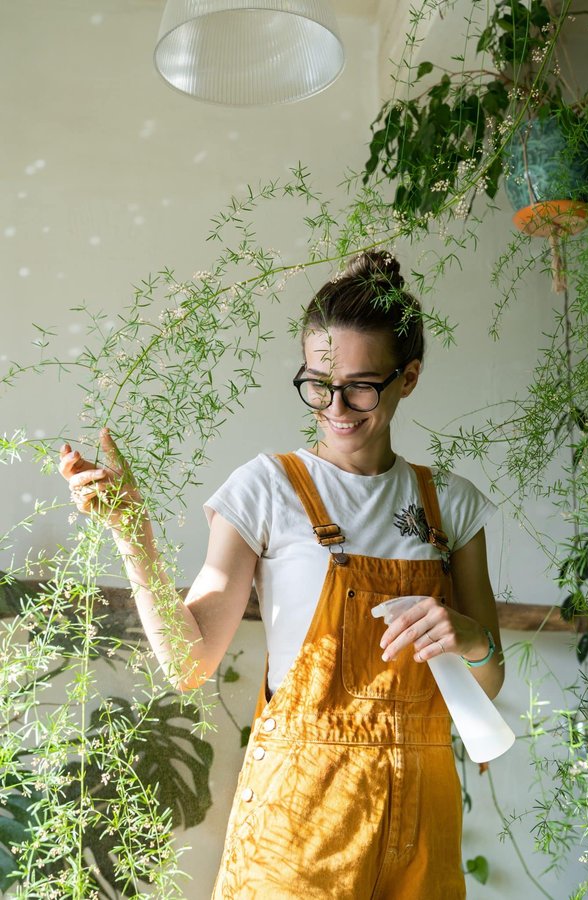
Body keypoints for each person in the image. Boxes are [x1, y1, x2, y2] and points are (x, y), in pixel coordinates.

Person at [59, 251, 504, 899]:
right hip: (299, 821)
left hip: (425, 821)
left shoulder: (452, 506)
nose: (336, 407)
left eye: (360, 385)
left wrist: (469, 638)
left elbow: (488, 682)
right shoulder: (267, 489)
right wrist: (135, 537)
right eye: (318, 384)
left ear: (407, 378)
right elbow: (191, 663)